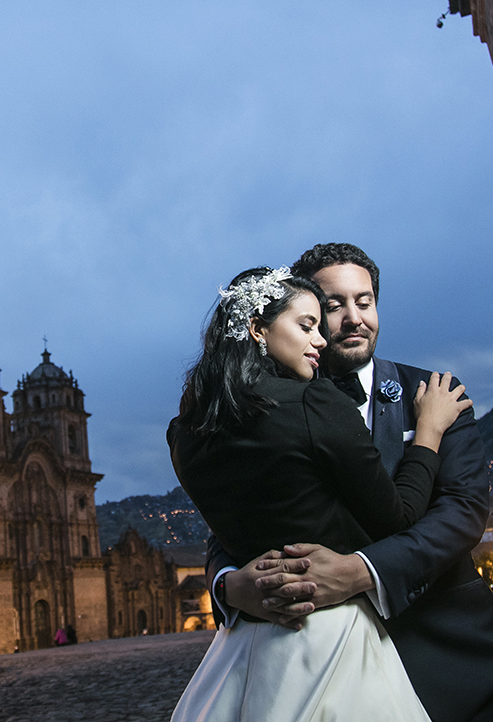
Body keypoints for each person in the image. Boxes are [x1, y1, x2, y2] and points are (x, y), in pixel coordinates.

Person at [207, 245, 493, 722]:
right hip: (317, 671)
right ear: (307, 312)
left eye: (366, 300)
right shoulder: (258, 409)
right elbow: (231, 518)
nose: (355, 318)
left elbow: (461, 512)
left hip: (447, 652)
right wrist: (230, 588)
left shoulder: (437, 393)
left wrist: (361, 572)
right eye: (334, 306)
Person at [168, 266, 468, 722]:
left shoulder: (184, 433)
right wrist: (427, 431)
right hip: (328, 633)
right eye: (307, 325)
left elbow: (229, 533)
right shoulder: (316, 402)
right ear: (257, 329)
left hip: (239, 651)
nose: (322, 340)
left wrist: (228, 586)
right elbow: (400, 517)